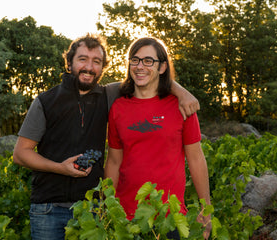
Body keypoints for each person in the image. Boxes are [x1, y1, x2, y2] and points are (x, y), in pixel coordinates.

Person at [12, 33, 200, 240]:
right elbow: (21, 154)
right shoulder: (45, 101)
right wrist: (60, 168)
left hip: (93, 209)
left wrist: (181, 92)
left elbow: (148, 76)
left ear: (103, 67)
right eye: (82, 59)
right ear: (69, 62)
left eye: (96, 62)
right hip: (49, 208)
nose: (89, 67)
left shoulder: (109, 95)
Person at [104, 37, 212, 239]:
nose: (140, 66)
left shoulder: (182, 106)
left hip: (168, 218)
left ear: (162, 67)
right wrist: (105, 206)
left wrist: (206, 210)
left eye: (148, 61)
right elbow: (113, 161)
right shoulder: (118, 108)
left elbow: (196, 159)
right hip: (126, 218)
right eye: (135, 60)